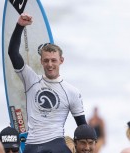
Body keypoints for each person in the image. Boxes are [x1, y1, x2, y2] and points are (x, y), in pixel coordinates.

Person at [8, 12, 87, 153]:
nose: (50, 64)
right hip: (32, 145)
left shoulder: (71, 92)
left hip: (55, 143)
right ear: (41, 62)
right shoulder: (31, 79)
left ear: (61, 61)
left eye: (53, 60)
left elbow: (82, 128)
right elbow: (13, 53)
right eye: (46, 60)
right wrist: (20, 26)